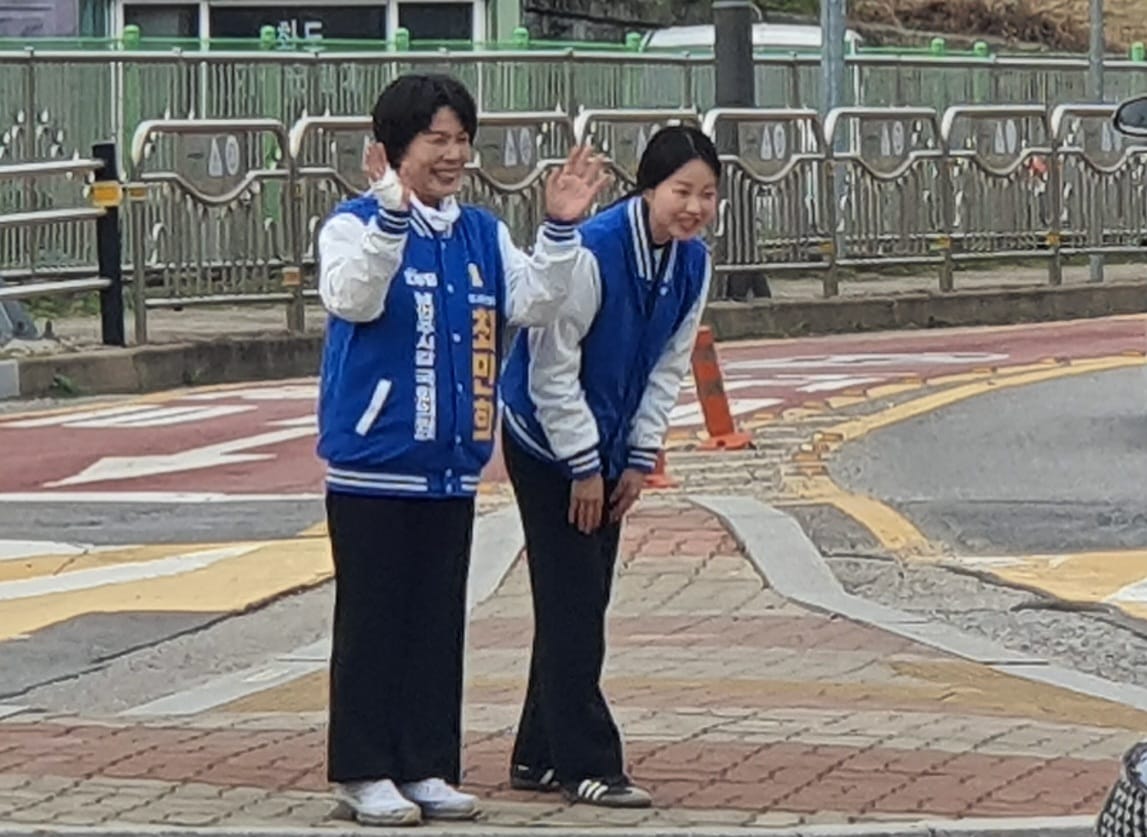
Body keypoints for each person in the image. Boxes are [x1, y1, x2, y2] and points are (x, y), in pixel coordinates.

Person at [315, 72, 608, 828]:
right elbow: (353, 297)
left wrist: (560, 229)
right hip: (373, 468)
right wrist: (387, 218)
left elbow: (534, 302)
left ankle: (426, 764)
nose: (451, 155)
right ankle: (363, 767)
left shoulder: (479, 231)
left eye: (459, 140)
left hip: (451, 469)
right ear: (389, 151)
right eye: (434, 140)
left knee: (437, 621)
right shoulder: (351, 226)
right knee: (372, 620)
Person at [498, 125, 721, 808]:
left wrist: (638, 455)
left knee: (583, 593)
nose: (693, 206)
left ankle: (537, 753)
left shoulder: (691, 262)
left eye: (707, 194)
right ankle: (587, 761)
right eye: (680, 190)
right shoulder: (594, 252)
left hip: (610, 439)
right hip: (544, 438)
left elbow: (667, 364)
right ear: (647, 187)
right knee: (573, 599)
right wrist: (584, 465)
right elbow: (551, 368)